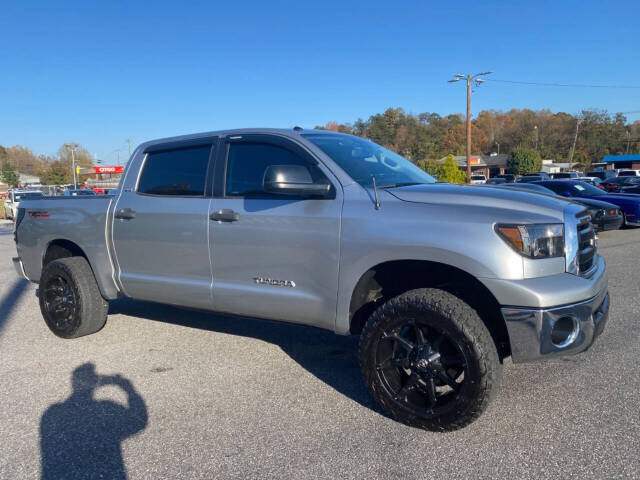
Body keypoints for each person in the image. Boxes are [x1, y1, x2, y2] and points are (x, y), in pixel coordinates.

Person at [40, 363, 147, 479]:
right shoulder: (107, 408)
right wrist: (129, 390)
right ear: (95, 383)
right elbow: (138, 421)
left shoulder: (52, 413)